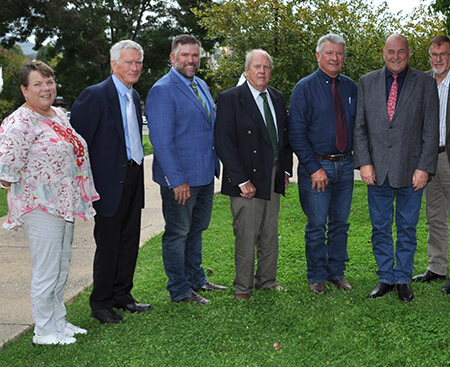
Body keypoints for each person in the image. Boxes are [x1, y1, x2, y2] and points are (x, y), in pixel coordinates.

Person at [0, 61, 98, 345]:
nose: (46, 89)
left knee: (61, 267)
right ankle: (43, 331)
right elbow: (5, 170)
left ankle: (58, 321)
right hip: (40, 207)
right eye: (37, 84)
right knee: (46, 270)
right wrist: (32, 187)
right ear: (24, 89)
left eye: (49, 82)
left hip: (64, 205)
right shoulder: (19, 122)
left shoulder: (57, 114)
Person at [72, 40, 152, 324]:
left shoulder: (133, 95)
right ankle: (101, 303)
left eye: (138, 62)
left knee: (129, 240)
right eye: (128, 62)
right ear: (113, 64)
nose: (134, 67)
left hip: (133, 176)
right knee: (108, 245)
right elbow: (78, 146)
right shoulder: (94, 96)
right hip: (107, 184)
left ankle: (122, 295)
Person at [354, 33, 439, 302]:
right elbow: (360, 127)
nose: (396, 56)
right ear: (383, 53)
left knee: (406, 227)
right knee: (379, 227)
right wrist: (365, 163)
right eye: (391, 51)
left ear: (409, 53)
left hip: (411, 170)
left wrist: (424, 167)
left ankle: (402, 277)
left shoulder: (425, 83)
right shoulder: (367, 82)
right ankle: (385, 277)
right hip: (376, 170)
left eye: (401, 51)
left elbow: (430, 129)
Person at [146, 34, 227, 306]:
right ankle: (180, 290)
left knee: (196, 230)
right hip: (181, 179)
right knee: (178, 233)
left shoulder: (200, 84)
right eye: (185, 55)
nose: (191, 60)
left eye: (195, 55)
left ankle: (196, 279)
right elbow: (162, 140)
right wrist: (176, 179)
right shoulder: (162, 89)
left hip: (204, 174)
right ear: (173, 57)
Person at [215, 49, 292, 300]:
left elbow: (284, 137)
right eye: (257, 67)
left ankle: (267, 281)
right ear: (247, 70)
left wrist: (286, 170)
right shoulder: (230, 98)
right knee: (247, 234)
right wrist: (240, 180)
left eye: (266, 67)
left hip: (272, 175)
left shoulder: (277, 98)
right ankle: (243, 288)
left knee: (269, 232)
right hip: (245, 179)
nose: (262, 71)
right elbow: (223, 143)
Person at [289, 33, 357, 294]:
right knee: (317, 225)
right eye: (329, 53)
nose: (335, 58)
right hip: (316, 167)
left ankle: (336, 273)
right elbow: (296, 133)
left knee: (340, 224)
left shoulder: (350, 88)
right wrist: (313, 168)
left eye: (339, 53)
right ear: (318, 56)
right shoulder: (304, 88)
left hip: (344, 164)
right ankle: (316, 275)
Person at [412, 36, 450, 294]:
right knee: (433, 216)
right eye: (434, 54)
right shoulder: (419, 81)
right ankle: (436, 266)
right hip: (426, 159)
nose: (438, 59)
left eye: (443, 54)